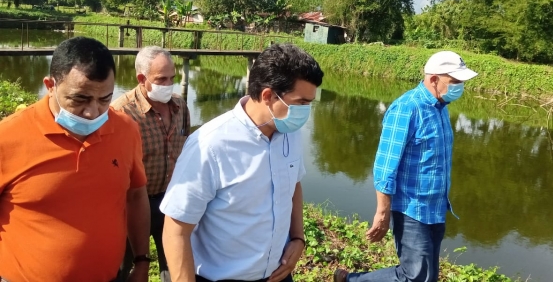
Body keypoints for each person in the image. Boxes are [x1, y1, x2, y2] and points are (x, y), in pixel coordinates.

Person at [160, 43, 324, 282]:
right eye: (301, 103)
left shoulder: (289, 132)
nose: (306, 111)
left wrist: (298, 238)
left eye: (310, 103)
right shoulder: (210, 144)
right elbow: (175, 230)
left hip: (277, 274)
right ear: (268, 96)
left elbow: (293, 184)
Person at [0, 36, 151, 282]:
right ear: (50, 85)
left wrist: (142, 261)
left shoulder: (126, 130)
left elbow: (135, 195)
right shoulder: (8, 137)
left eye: (105, 99)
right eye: (79, 99)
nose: (92, 112)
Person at [334, 51, 478, 282]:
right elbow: (385, 166)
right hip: (412, 208)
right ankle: (350, 280)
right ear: (433, 79)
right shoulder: (407, 108)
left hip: (436, 206)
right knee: (413, 276)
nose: (459, 87)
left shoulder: (440, 107)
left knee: (428, 276)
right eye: (455, 82)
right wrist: (383, 213)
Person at [112, 46, 191, 282]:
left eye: (172, 78)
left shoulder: (180, 107)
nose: (168, 85)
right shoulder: (121, 113)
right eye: (161, 79)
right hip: (133, 205)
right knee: (125, 268)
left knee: (176, 267)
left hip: (172, 201)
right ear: (142, 78)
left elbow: (186, 148)